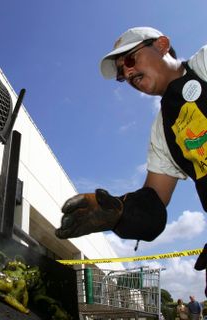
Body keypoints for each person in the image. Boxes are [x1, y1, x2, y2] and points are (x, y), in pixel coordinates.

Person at [54, 26, 207, 287]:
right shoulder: (161, 133)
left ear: (161, 45)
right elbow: (154, 201)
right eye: (121, 76)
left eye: (129, 59)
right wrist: (119, 212)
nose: (127, 73)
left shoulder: (204, 63)